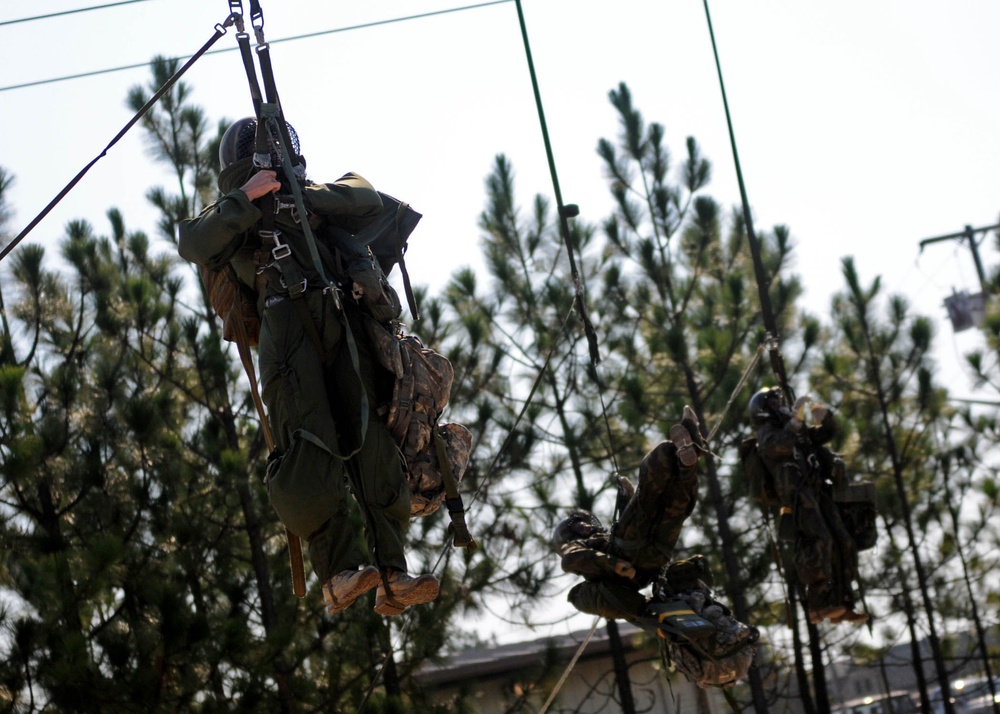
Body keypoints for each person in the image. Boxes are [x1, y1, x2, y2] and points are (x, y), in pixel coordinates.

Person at [178, 117, 438, 617]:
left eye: (278, 147)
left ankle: (392, 573)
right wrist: (248, 199)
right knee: (309, 438)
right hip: (286, 325)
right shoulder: (235, 219)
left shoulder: (318, 201)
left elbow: (367, 198)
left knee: (372, 442)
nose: (274, 153)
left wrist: (304, 195)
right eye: (261, 149)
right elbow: (194, 242)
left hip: (345, 322)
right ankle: (339, 572)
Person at [552, 408, 757, 687]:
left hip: (655, 553)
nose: (585, 527)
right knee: (652, 490)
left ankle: (686, 459)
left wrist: (626, 499)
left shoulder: (606, 536)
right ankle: (682, 452)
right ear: (568, 537)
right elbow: (572, 558)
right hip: (630, 552)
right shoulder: (580, 553)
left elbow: (627, 523)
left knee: (677, 505)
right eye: (576, 528)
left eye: (585, 523)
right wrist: (615, 565)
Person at [747, 386, 868, 624]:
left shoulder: (796, 430)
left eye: (779, 400)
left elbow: (824, 434)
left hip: (817, 489)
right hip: (796, 494)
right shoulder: (767, 432)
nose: (779, 404)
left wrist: (826, 417)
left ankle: (843, 602)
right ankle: (818, 605)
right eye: (773, 402)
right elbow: (779, 446)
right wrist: (795, 420)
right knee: (819, 541)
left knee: (843, 541)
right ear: (762, 410)